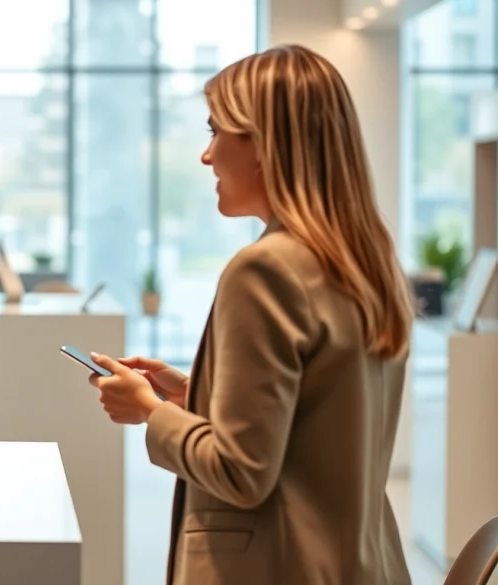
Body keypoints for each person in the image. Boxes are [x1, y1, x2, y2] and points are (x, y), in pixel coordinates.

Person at [88, 45, 414, 584]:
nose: (207, 156)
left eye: (216, 131)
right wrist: (196, 394)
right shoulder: (365, 263)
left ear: (264, 144)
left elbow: (240, 472)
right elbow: (318, 426)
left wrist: (150, 411)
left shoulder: (266, 269)